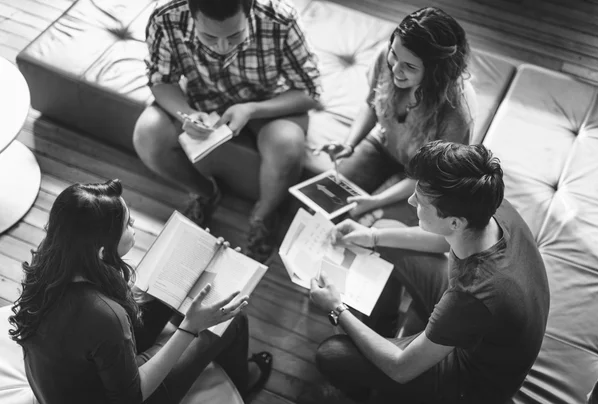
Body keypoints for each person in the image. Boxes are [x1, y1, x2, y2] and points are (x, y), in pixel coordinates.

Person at [309, 141, 550, 403]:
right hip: (476, 322)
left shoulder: (474, 293)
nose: (411, 200)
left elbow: (401, 368)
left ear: (455, 221)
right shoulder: (485, 201)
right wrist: (371, 235)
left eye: (421, 201)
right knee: (385, 230)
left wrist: (337, 309)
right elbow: (443, 238)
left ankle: (373, 393)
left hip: (470, 381)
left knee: (331, 354)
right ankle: (384, 323)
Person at [8, 179, 272, 404]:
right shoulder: (103, 314)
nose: (133, 224)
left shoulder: (51, 262)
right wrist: (189, 328)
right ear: (102, 251)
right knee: (233, 321)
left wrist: (208, 259)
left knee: (168, 293)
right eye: (128, 224)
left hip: (81, 376)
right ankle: (242, 386)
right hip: (121, 394)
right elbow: (132, 397)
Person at [133, 0, 321, 263]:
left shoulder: (281, 19)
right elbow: (161, 80)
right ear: (191, 12)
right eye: (209, 36)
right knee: (147, 135)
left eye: (235, 35)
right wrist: (186, 113)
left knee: (287, 146)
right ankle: (206, 193)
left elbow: (310, 91)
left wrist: (251, 109)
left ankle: (263, 216)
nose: (222, 47)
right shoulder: (165, 18)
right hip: (200, 99)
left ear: (250, 9)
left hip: (266, 102)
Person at [317, 7, 476, 227]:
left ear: (435, 72)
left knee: (368, 227)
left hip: (425, 175)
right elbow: (371, 105)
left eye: (409, 66)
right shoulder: (386, 57)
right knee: (323, 203)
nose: (395, 70)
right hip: (382, 145)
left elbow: (431, 178)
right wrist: (349, 144)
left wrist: (375, 201)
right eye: (394, 55)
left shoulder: (456, 110)